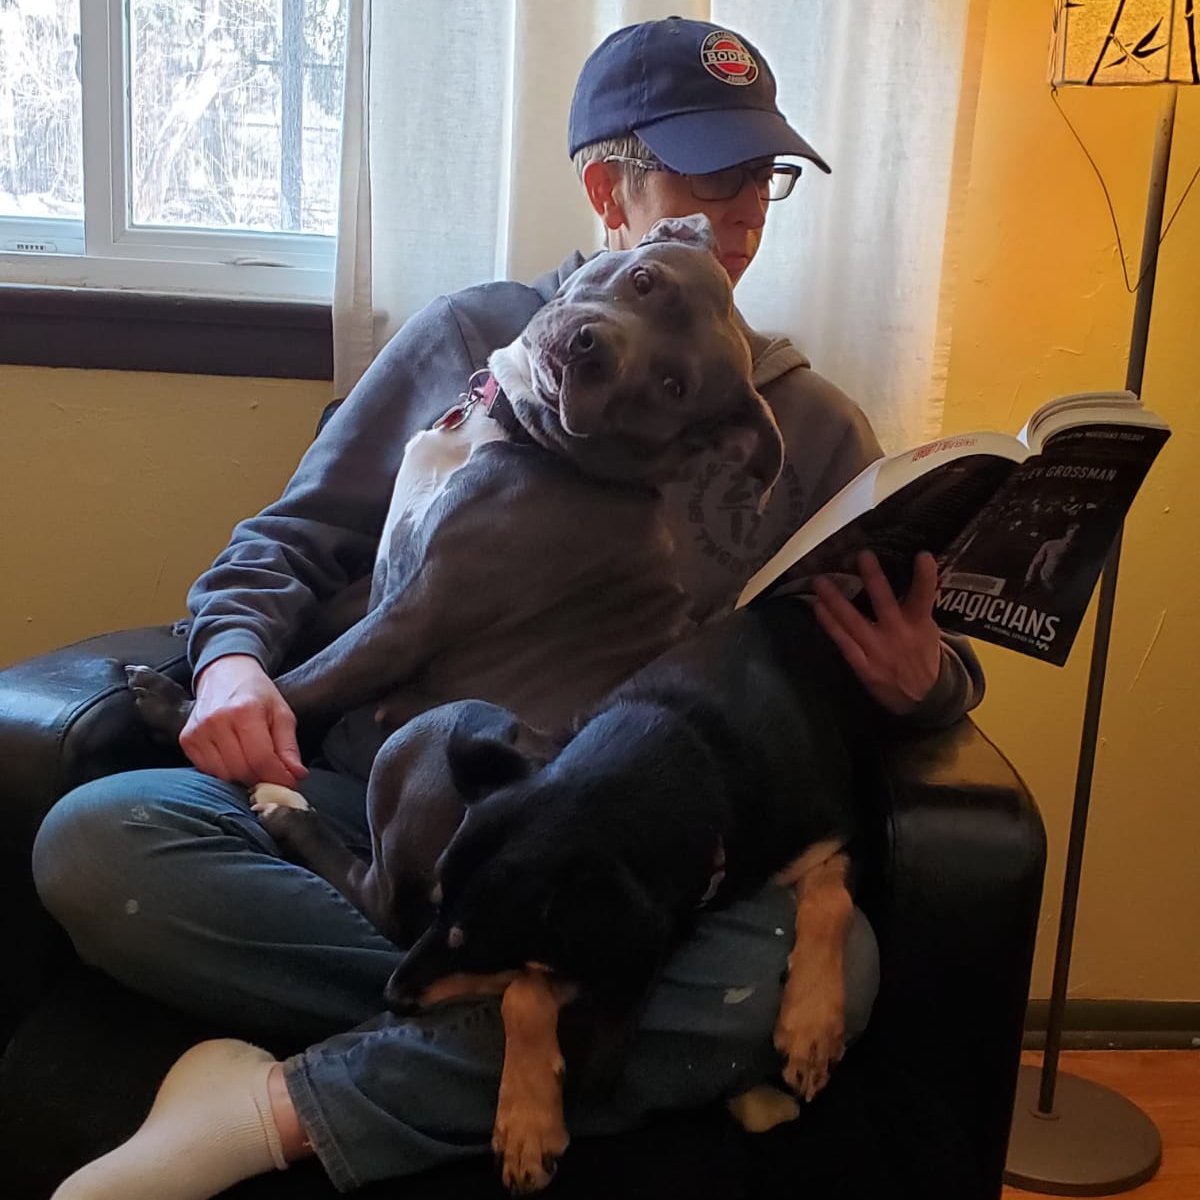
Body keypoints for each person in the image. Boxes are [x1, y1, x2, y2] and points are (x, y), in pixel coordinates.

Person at [37, 17, 984, 1200]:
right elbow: (286, 541)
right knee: (97, 842)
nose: (743, 208)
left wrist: (922, 683)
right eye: (709, 169)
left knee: (819, 983)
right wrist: (230, 662)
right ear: (608, 186)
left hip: (613, 852)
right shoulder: (465, 336)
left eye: (764, 175)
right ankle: (526, 1029)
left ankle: (275, 1107)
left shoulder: (810, 428)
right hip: (358, 787)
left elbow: (886, 665)